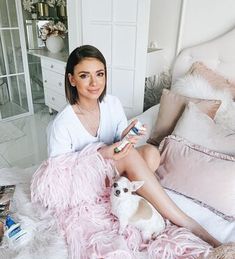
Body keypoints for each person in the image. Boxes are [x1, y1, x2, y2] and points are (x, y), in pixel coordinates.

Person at [47, 45, 220, 248]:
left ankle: (138, 195)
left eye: (100, 74)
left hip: (113, 172)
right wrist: (103, 154)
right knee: (131, 158)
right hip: (83, 185)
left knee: (151, 153)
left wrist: (126, 136)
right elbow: (59, 178)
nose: (95, 83)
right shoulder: (62, 124)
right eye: (85, 75)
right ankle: (188, 223)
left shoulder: (112, 103)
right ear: (72, 79)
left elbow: (118, 141)